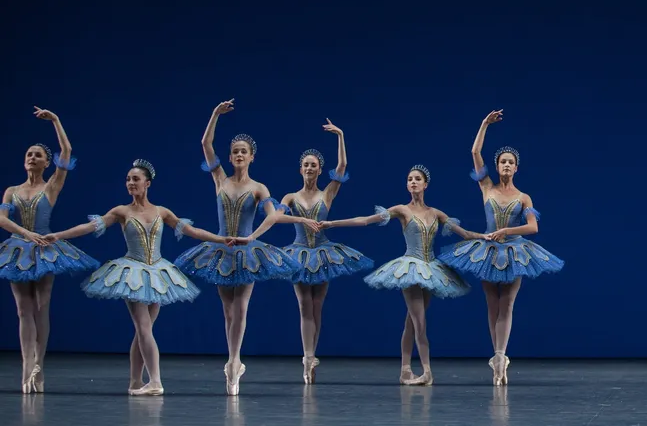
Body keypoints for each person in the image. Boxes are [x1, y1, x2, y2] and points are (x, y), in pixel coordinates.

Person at [40, 159, 245, 395]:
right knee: (143, 327)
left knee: (143, 331)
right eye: (128, 179)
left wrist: (220, 239)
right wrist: (59, 235)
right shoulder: (121, 211)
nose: (130, 183)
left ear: (147, 183)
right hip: (133, 273)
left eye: (135, 179)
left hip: (158, 274)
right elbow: (88, 227)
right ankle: (155, 381)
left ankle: (135, 382)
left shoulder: (161, 211)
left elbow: (191, 231)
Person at [174, 99, 303, 395]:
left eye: (243, 151)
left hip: (247, 252)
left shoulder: (259, 188)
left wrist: (251, 237)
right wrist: (215, 114)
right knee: (227, 311)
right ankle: (232, 361)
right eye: (235, 152)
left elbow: (274, 216)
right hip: (220, 251)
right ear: (230, 157)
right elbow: (206, 144)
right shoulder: (219, 179)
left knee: (241, 308)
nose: (238, 155)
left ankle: (234, 361)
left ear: (252, 156)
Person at [438, 110, 564, 385]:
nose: (506, 165)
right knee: (491, 305)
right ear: (497, 166)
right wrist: (484, 124)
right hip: (487, 250)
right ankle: (498, 358)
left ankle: (500, 355)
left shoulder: (523, 196)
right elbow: (474, 153)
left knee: (507, 304)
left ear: (516, 168)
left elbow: (533, 227)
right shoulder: (487, 188)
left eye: (511, 162)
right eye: (502, 162)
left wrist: (507, 230)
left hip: (515, 251)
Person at [324, 164, 482, 385]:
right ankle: (427, 371)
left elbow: (465, 234)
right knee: (419, 321)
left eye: (417, 179)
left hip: (431, 269)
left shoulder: (435, 213)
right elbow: (366, 220)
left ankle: (405, 370)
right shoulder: (402, 210)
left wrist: (487, 236)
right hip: (410, 268)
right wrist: (332, 223)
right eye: (409, 179)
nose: (413, 182)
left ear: (426, 184)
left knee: (411, 322)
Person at [0, 107, 99, 394]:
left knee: (42, 306)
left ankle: (38, 367)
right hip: (18, 250)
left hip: (45, 248)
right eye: (29, 154)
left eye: (38, 155)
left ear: (46, 163)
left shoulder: (51, 186)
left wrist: (56, 120)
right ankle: (25, 365)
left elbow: (66, 152)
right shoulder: (11, 191)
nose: (32, 158)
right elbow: (2, 218)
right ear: (24, 162)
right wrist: (25, 233)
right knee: (23, 309)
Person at [280, 120, 374, 384]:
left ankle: (312, 356)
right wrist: (299, 220)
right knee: (303, 306)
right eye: (306, 164)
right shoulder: (290, 197)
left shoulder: (327, 194)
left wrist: (341, 136)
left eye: (314, 165)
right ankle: (306, 357)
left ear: (320, 170)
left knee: (317, 306)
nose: (310, 168)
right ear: (300, 169)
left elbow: (342, 167)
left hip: (323, 254)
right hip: (298, 253)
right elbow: (276, 216)